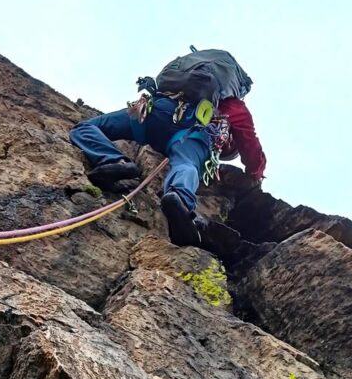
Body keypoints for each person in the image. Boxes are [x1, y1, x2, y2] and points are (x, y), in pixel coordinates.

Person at [68, 49, 266, 247]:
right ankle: (178, 197)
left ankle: (115, 161)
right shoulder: (233, 105)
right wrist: (256, 173)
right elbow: (250, 144)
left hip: (155, 113)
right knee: (186, 164)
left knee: (87, 127)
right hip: (193, 134)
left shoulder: (184, 77)